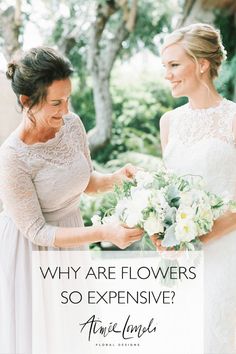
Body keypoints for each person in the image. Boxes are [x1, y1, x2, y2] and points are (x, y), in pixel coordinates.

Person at [0, 47, 143, 354]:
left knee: (72, 335)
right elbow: (37, 231)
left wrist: (118, 176)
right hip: (31, 252)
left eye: (68, 99)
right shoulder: (12, 156)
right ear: (26, 102)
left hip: (72, 242)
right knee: (40, 338)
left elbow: (86, 180)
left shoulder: (73, 125)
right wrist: (104, 233)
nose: (65, 110)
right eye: (55, 102)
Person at [153, 23, 236, 353]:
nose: (168, 75)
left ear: (202, 63)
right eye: (165, 67)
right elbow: (167, 192)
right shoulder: (169, 122)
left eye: (174, 65)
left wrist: (207, 232)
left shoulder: (234, 118)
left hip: (227, 253)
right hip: (181, 260)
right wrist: (159, 229)